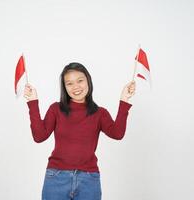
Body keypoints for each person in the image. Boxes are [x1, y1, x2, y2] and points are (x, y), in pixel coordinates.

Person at [23, 62, 135, 200]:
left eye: (80, 81)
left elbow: (117, 133)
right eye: (69, 83)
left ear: (88, 81)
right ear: (64, 87)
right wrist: (33, 102)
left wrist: (124, 99)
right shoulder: (56, 109)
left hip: (88, 180)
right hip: (56, 178)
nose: (75, 87)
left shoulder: (100, 113)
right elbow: (39, 136)